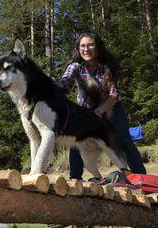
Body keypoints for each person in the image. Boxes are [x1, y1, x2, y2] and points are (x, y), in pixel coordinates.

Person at [56, 32, 146, 180]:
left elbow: (115, 95)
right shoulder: (76, 67)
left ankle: (142, 178)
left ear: (97, 47)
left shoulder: (109, 67)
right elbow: (65, 82)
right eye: (82, 46)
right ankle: (75, 179)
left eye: (90, 45)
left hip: (111, 109)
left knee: (124, 140)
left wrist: (99, 110)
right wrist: (51, 83)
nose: (86, 49)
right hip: (85, 111)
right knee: (75, 141)